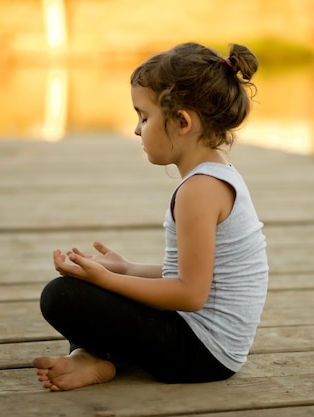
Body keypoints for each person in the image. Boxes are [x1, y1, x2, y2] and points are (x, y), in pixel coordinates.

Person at [33, 42, 269, 391]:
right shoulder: (216, 174)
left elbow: (190, 294)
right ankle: (91, 357)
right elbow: (198, 272)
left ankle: (95, 357)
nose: (137, 129)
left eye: (144, 116)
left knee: (63, 296)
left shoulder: (199, 191)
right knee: (83, 285)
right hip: (203, 341)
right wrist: (126, 269)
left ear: (182, 122)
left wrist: (106, 281)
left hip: (202, 354)